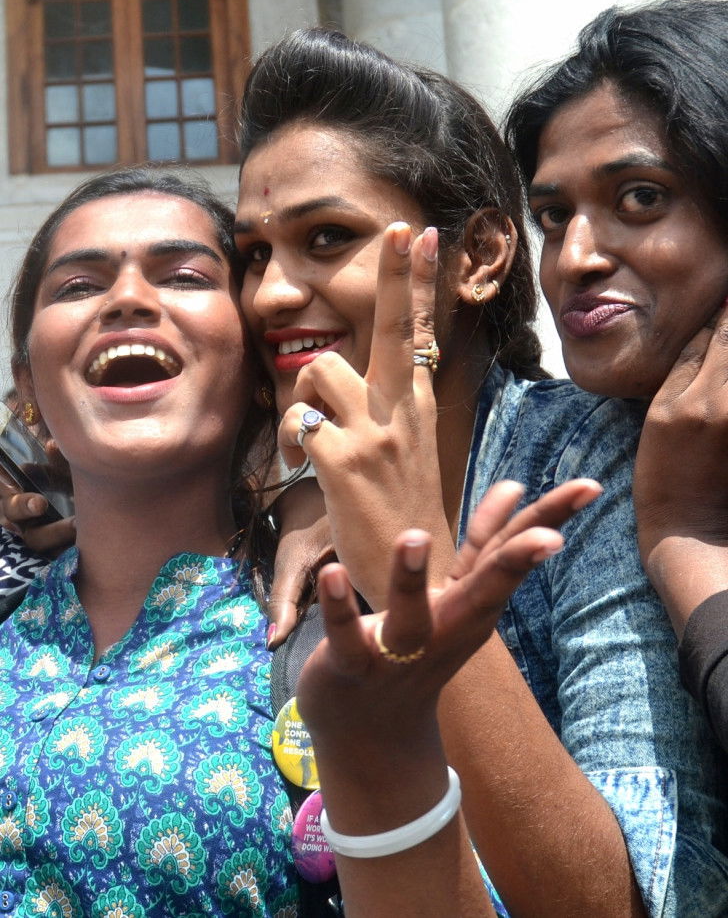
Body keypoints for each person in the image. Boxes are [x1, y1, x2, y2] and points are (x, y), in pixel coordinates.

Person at [0, 164, 601, 917]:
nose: (127, 299)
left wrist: (385, 766)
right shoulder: (12, 604)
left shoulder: (346, 640)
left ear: (256, 368)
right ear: (29, 382)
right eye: (78, 286)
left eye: (184, 277)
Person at [232, 28, 727, 917]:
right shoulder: (275, 509)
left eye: (328, 237)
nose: (270, 293)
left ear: (479, 257)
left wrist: (408, 550)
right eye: (255, 254)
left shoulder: (590, 461)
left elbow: (646, 896)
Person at [503, 0, 728, 754]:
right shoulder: (588, 448)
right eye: (553, 216)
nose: (574, 258)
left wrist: (685, 535)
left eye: (641, 197)